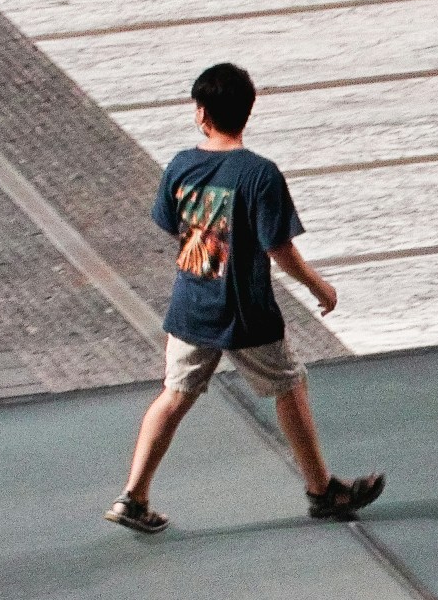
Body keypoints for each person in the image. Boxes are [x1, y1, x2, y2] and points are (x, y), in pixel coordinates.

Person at [109, 62, 383, 531]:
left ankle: (133, 496)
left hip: (191, 303)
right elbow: (279, 247)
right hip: (245, 311)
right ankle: (321, 490)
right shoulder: (261, 174)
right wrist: (318, 285)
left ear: (202, 114)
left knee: (173, 395)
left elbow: (172, 223)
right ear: (247, 113)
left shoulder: (179, 165)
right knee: (288, 385)